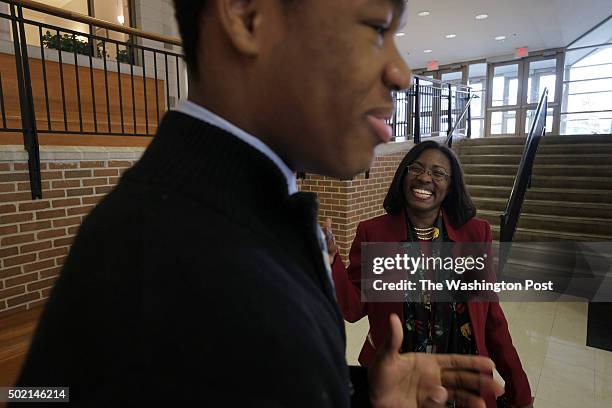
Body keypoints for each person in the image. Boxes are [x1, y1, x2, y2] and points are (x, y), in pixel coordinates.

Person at [14, 1, 503, 406]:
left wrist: (361, 394)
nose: (400, 73)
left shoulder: (245, 214)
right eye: (376, 28)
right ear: (248, 16)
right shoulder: (169, 258)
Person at [328, 141, 534, 408]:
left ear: (450, 186)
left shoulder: (474, 233)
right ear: (404, 175)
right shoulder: (374, 233)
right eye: (416, 168)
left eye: (438, 173)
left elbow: (491, 318)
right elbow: (353, 307)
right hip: (396, 383)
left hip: (464, 381)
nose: (424, 177)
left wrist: (519, 388)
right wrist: (331, 260)